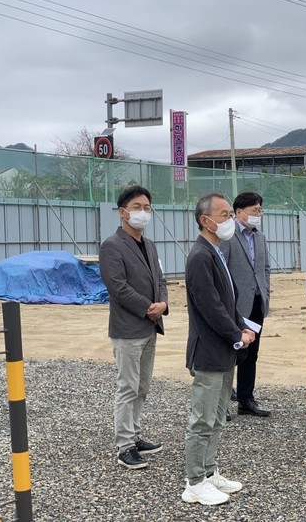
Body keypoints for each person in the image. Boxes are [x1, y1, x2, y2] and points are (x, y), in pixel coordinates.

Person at [182, 192, 255, 505]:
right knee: (202, 419)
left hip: (224, 350)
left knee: (216, 418)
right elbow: (210, 306)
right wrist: (237, 334)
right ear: (205, 220)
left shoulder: (216, 253)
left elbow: (228, 301)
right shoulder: (200, 256)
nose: (230, 220)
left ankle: (210, 472)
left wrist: (242, 327)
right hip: (209, 351)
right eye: (224, 215)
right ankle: (194, 482)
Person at [99, 185, 168, 470]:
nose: (143, 212)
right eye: (137, 207)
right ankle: (124, 445)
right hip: (128, 327)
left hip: (150, 326)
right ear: (122, 212)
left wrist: (163, 303)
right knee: (127, 386)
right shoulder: (111, 246)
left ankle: (135, 434)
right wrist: (148, 307)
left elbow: (160, 279)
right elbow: (117, 286)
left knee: (142, 386)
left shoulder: (149, 245)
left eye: (147, 207)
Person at [220, 191, 271, 417]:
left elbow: (265, 268)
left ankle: (245, 399)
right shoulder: (227, 236)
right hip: (234, 304)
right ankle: (220, 403)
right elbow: (221, 270)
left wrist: (265, 291)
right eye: (254, 210)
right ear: (239, 212)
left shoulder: (260, 237)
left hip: (256, 302)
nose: (258, 214)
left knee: (252, 353)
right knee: (230, 352)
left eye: (260, 210)